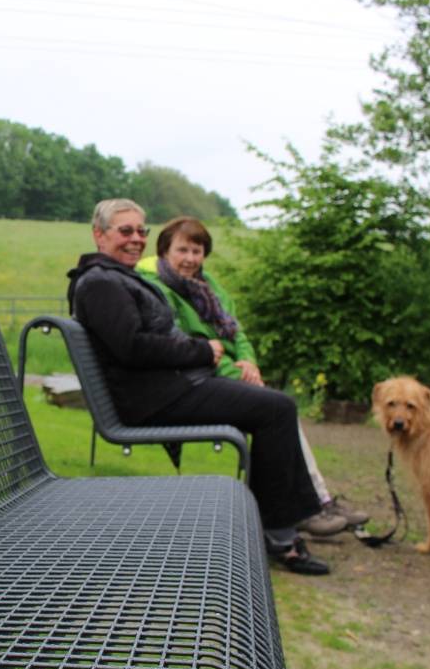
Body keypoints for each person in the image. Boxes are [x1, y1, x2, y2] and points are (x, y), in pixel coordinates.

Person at [67, 198, 330, 574]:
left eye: (142, 231)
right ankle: (281, 535)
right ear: (99, 234)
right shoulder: (100, 283)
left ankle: (284, 523)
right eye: (125, 231)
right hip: (157, 399)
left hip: (170, 389)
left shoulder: (116, 277)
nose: (136, 239)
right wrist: (200, 350)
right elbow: (132, 348)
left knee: (272, 405)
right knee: (277, 409)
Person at [136, 215, 369, 536]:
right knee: (278, 410)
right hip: (199, 379)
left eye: (198, 251)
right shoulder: (159, 289)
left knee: (280, 411)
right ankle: (310, 506)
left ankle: (314, 503)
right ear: (164, 251)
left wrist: (249, 363)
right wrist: (239, 373)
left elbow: (237, 331)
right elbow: (191, 349)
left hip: (226, 373)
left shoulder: (207, 285)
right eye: (183, 250)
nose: (191, 259)